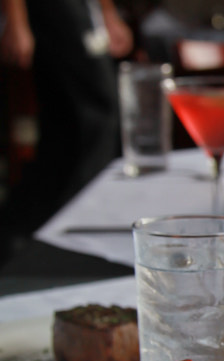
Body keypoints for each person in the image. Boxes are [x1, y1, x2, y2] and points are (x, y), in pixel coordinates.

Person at [0, 0, 132, 262]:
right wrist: (16, 18)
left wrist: (106, 13)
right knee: (89, 118)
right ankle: (32, 232)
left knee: (93, 119)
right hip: (51, 10)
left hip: (82, 9)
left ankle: (65, 227)